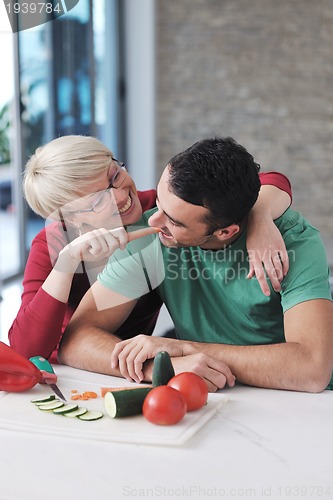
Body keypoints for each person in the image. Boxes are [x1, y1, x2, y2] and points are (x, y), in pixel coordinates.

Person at [58, 137, 332, 394]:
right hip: (208, 395)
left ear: (225, 231)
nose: (154, 221)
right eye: (159, 203)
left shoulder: (294, 243)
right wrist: (162, 366)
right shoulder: (150, 237)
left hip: (296, 403)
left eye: (174, 221)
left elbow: (312, 368)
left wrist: (182, 348)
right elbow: (75, 341)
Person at [10, 135, 291, 365]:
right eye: (97, 202)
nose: (121, 196)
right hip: (75, 368)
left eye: (114, 176)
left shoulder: (153, 211)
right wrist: (67, 263)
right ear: (69, 219)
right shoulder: (51, 245)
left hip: (137, 359)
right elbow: (25, 349)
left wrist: (260, 217)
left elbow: (260, 181)